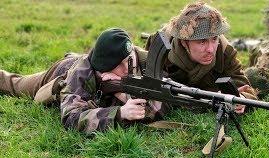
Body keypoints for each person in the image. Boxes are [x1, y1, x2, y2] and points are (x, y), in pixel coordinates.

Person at [145, 2, 258, 155]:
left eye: (214, 39)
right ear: (185, 43)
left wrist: (240, 99)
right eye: (202, 41)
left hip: (206, 94)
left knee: (258, 77)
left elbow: (244, 87)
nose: (211, 49)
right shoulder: (163, 46)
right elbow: (147, 78)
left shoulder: (224, 52)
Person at [0, 28, 163, 134]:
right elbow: (71, 118)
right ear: (103, 69)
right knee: (16, 85)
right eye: (117, 65)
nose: (127, 68)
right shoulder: (80, 75)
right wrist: (119, 113)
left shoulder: (140, 59)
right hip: (63, 72)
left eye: (128, 60)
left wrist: (121, 92)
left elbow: (161, 98)